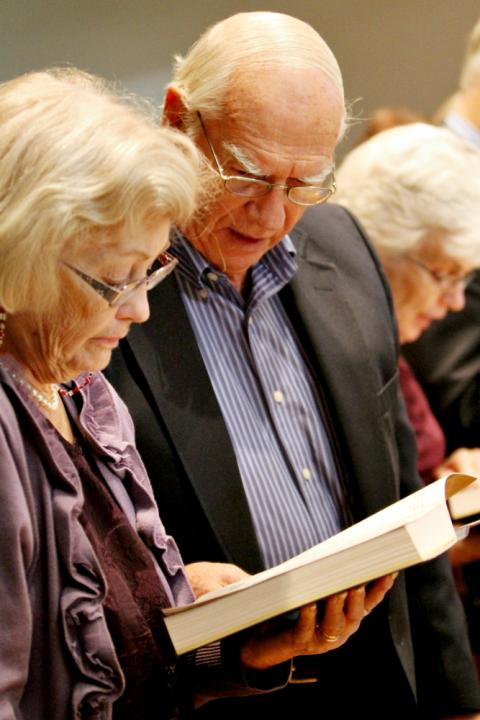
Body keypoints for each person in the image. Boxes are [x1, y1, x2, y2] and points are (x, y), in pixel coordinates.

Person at [106, 11, 480, 718]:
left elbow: (406, 499)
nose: (272, 215)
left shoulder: (341, 243)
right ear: (178, 120)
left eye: (305, 182)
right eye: (247, 175)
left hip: (377, 682)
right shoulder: (109, 287)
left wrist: (458, 700)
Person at [0, 68, 383, 720]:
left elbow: (138, 648)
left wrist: (244, 648)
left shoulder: (87, 396)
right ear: (21, 258)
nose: (140, 311)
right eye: (115, 281)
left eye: (151, 272)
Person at [332, 121, 480, 673]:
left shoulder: (390, 352)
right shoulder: (353, 358)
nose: (454, 302)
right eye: (445, 275)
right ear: (377, 247)